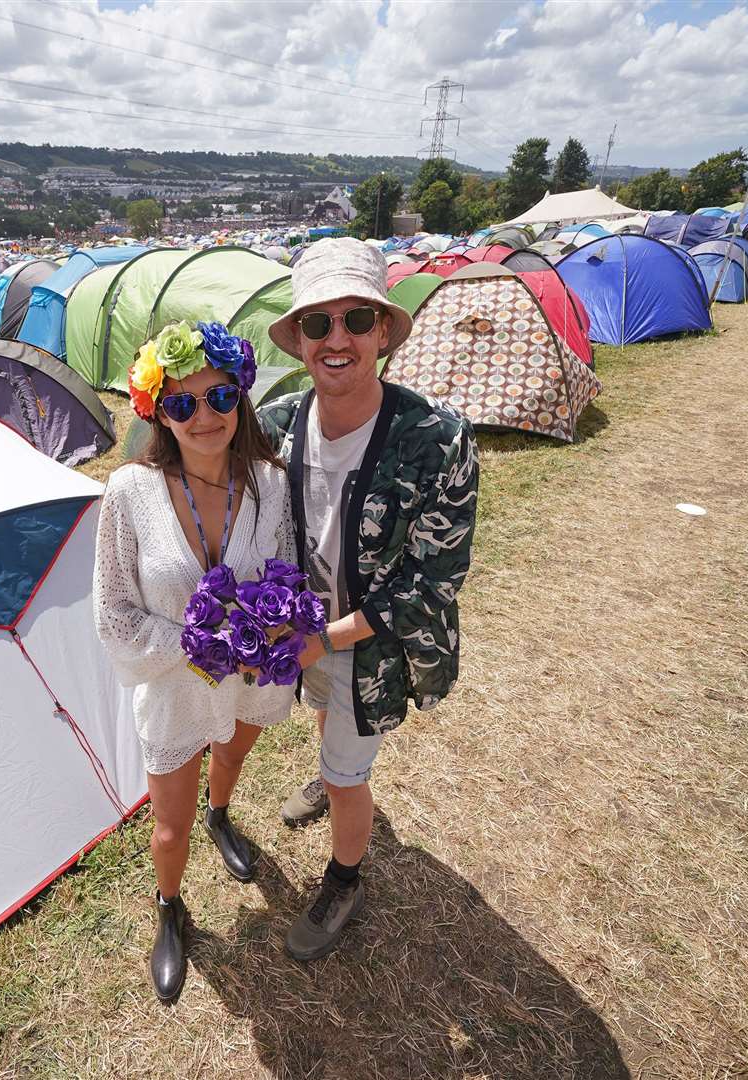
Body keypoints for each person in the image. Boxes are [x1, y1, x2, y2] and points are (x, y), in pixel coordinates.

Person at [258, 238, 479, 962]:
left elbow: (431, 582)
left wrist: (327, 638)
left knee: (351, 772)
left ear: (384, 330)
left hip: (373, 647)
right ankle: (328, 774)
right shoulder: (283, 422)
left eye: (356, 318)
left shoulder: (435, 440)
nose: (338, 338)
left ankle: (345, 878)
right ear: (299, 341)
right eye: (317, 325)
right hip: (308, 633)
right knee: (326, 720)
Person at [92, 319, 295, 1002]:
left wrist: (270, 625)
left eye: (219, 396)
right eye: (181, 403)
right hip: (173, 688)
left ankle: (224, 812)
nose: (203, 415)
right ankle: (169, 910)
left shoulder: (270, 482)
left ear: (242, 395)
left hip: (247, 678)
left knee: (233, 758)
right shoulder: (129, 493)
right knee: (168, 830)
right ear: (156, 410)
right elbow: (113, 612)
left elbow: (288, 571)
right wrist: (195, 642)